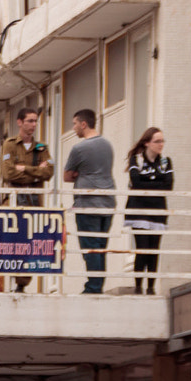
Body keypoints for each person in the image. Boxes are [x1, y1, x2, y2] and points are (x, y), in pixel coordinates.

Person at [64, 108, 116, 295]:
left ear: (84, 124)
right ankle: (97, 284)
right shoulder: (107, 145)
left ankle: (93, 287)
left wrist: (80, 173)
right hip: (108, 202)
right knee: (101, 247)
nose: (74, 128)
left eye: (75, 123)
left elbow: (67, 176)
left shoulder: (79, 148)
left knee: (90, 247)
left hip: (88, 204)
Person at [2, 106, 53, 292]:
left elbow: (49, 172)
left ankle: (21, 284)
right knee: (12, 239)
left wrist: (25, 169)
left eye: (35, 121)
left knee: (31, 242)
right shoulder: (10, 144)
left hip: (34, 200)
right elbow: (8, 173)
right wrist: (36, 173)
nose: (33, 124)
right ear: (20, 122)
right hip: (16, 198)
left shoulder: (42, 148)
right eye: (30, 121)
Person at [124, 127, 171, 295]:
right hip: (139, 210)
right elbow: (136, 182)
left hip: (157, 210)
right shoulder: (136, 159)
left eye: (162, 141)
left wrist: (148, 181)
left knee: (154, 249)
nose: (161, 145)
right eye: (157, 141)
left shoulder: (165, 161)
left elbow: (168, 185)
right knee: (142, 247)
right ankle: (138, 286)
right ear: (147, 143)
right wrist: (155, 181)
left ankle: (151, 287)